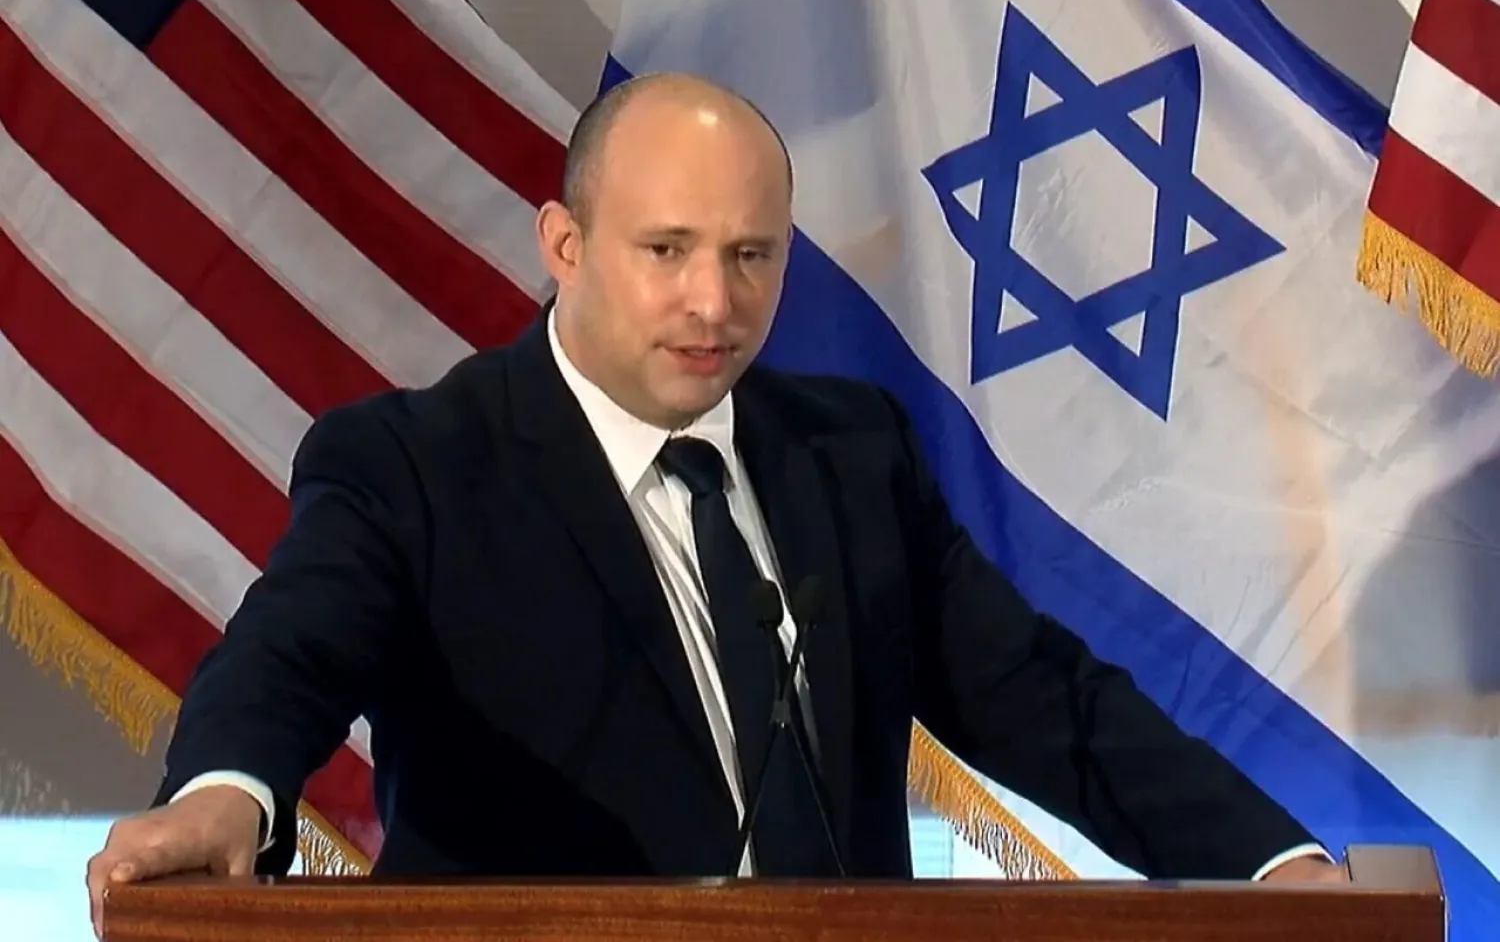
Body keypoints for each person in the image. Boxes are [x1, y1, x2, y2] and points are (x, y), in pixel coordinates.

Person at [86, 71, 1342, 933]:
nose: (715, 303)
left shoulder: (851, 453)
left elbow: (1045, 701)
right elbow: (291, 652)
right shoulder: (416, 463)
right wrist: (224, 793)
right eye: (667, 250)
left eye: (752, 256)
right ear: (564, 245)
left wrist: (1271, 863)